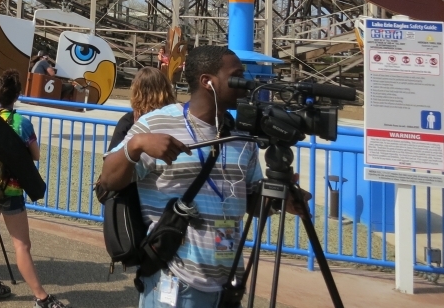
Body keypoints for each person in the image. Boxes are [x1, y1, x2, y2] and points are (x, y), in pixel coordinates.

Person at [100, 46, 303, 307]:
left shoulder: (241, 137)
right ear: (208, 81)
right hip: (174, 279)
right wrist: (135, 145)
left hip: (227, 283)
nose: (246, 82)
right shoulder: (157, 123)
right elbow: (108, 180)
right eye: (237, 75)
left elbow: (250, 199)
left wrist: (279, 200)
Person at [0, 69, 69, 307]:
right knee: (22, 245)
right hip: (12, 188)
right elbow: (36, 154)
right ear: (16, 95)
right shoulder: (23, 123)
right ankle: (40, 296)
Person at [106, 67, 176, 152]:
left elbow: (111, 159)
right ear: (167, 90)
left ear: (136, 91)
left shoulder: (129, 121)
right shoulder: (177, 117)